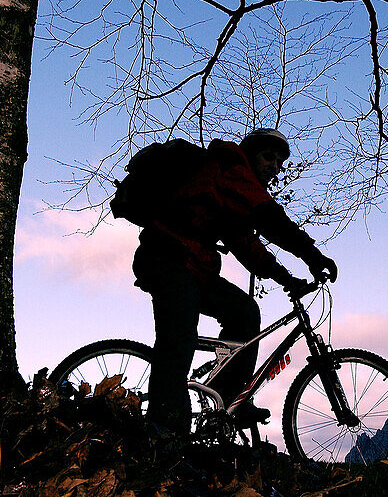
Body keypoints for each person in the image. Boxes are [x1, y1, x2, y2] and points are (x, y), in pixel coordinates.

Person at [133, 128, 338, 439]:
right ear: (251, 153)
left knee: (244, 312)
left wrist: (286, 278)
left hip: (194, 265)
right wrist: (313, 256)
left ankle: (227, 398)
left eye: (280, 162)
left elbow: (245, 243)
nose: (275, 166)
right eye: (269, 156)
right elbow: (272, 221)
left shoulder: (228, 195)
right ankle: (165, 433)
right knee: (178, 342)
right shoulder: (232, 167)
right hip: (168, 258)